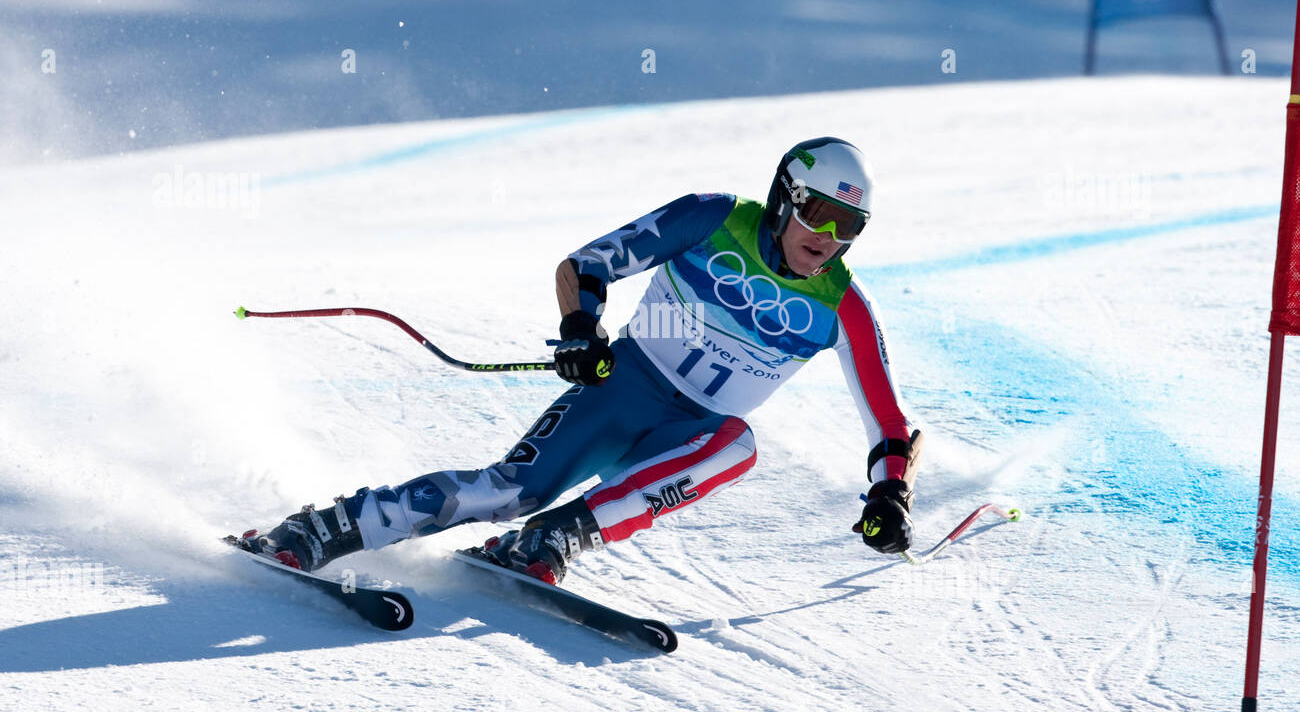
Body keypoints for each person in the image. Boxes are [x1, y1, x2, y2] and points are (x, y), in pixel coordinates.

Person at [236, 137, 921, 584]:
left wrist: (891, 492)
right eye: (819, 215)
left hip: (687, 436)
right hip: (622, 387)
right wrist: (580, 331)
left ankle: (551, 542)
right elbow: (587, 265)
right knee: (508, 490)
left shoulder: (844, 305)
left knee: (737, 446)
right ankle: (324, 529)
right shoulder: (712, 218)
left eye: (849, 227)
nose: (829, 238)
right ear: (784, 200)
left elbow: (889, 421)